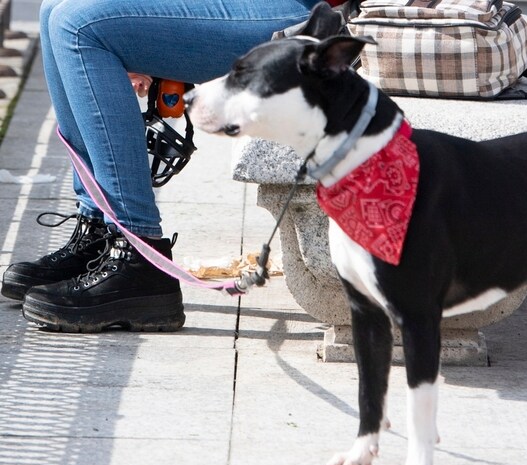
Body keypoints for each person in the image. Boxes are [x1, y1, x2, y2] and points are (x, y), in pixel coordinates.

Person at [0, 0, 322, 332]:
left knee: (79, 26)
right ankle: (99, 228)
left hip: (301, 17)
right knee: (54, 7)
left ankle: (138, 253)